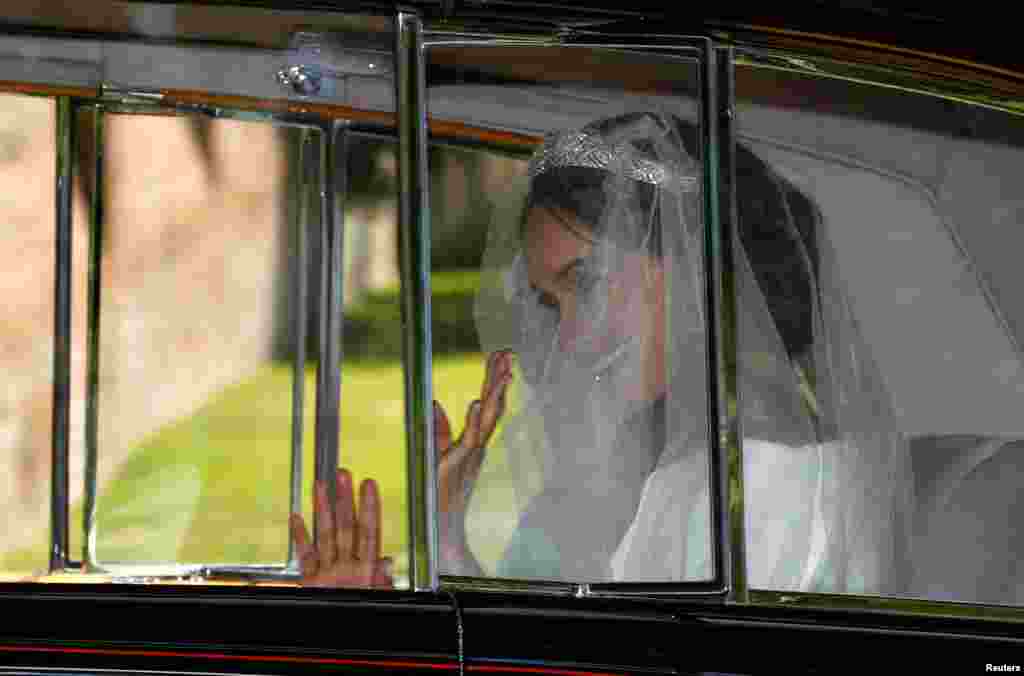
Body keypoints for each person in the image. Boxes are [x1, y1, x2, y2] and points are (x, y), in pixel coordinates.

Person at [290, 110, 912, 592]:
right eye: (549, 303)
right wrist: (447, 534)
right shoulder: (642, 463)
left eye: (583, 281)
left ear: (695, 263)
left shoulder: (774, 481)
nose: (565, 339)